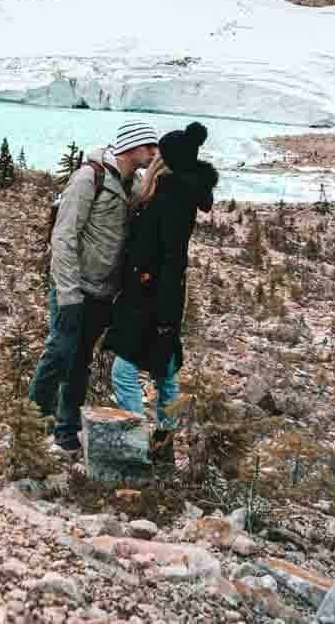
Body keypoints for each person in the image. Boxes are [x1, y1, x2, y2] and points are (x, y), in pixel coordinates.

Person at [28, 120, 160, 454]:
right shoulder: (89, 177)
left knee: (80, 361)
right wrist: (68, 293)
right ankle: (27, 423)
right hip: (74, 287)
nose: (154, 153)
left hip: (104, 292)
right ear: (132, 147)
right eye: (149, 148)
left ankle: (66, 432)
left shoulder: (134, 183)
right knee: (59, 352)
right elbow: (64, 234)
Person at [105, 120, 218, 463]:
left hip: (149, 298)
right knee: (166, 371)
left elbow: (168, 259)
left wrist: (158, 305)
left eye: (158, 155)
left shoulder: (167, 198)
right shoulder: (179, 195)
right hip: (162, 297)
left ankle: (138, 445)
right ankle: (163, 443)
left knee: (125, 373)